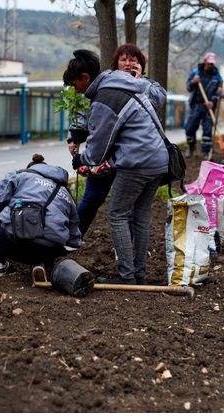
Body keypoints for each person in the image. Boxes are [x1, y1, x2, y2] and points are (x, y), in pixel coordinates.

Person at [63, 49, 168, 285]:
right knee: (140, 216)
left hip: (137, 161)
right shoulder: (122, 84)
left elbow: (99, 148)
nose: (75, 89)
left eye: (74, 83)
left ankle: (126, 276)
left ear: (85, 77)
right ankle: (138, 272)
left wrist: (82, 159)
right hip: (158, 158)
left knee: (117, 215)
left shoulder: (105, 96)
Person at [0, 153, 82, 278]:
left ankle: (0, 264)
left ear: (31, 168)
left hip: (11, 244)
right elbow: (74, 239)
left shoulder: (20, 176)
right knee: (49, 229)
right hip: (47, 251)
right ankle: (42, 263)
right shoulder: (66, 193)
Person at [185, 52, 223, 160]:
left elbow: (218, 93)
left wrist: (213, 102)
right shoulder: (196, 72)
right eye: (208, 63)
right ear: (205, 61)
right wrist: (193, 82)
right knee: (190, 128)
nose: (209, 65)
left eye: (212, 64)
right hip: (196, 104)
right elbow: (188, 88)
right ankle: (191, 147)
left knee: (207, 130)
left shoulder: (217, 76)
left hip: (209, 107)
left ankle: (206, 152)